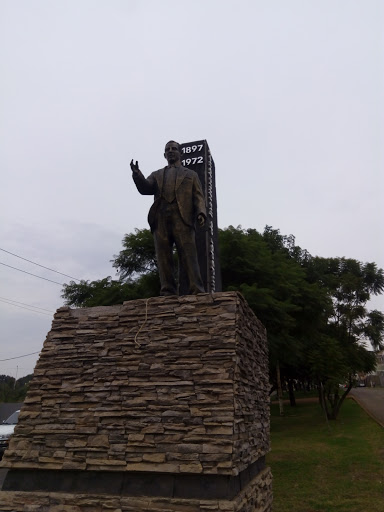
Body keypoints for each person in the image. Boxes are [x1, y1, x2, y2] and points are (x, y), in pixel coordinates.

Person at [130, 140, 206, 296]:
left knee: (188, 255)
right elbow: (145, 188)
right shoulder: (157, 175)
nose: (171, 151)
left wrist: (200, 212)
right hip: (161, 218)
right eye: (167, 149)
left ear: (180, 153)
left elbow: (198, 196)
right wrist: (137, 175)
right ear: (164, 155)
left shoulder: (191, 175)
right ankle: (167, 290)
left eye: (174, 149)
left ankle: (197, 289)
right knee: (163, 256)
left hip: (182, 217)